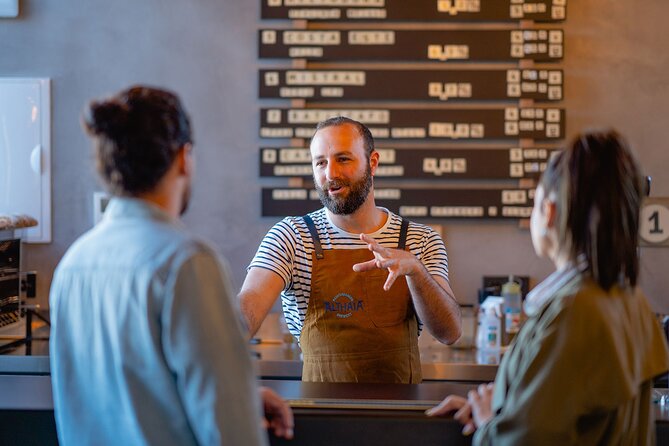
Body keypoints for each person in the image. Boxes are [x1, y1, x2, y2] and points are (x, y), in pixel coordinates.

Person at [49, 86, 293, 446]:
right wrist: (236, 409)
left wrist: (241, 399)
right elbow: (232, 436)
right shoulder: (187, 261)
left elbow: (117, 402)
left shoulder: (73, 263)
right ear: (184, 157)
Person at [427, 130, 669, 445]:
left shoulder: (572, 313)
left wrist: (490, 427)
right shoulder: (628, 298)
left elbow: (528, 440)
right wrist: (502, 412)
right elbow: (574, 416)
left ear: (550, 211)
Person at [239, 116, 461, 383]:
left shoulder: (420, 239)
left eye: (343, 159)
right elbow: (249, 306)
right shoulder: (292, 237)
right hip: (323, 415)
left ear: (373, 162)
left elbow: (450, 333)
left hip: (401, 414)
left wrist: (417, 272)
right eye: (320, 162)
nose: (330, 174)